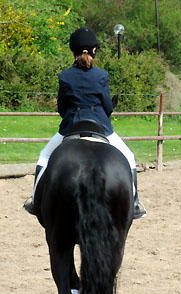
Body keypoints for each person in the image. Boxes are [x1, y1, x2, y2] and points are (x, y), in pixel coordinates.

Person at [24, 27, 146, 220]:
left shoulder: (64, 76)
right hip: (101, 128)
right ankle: (134, 203)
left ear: (72, 51)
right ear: (94, 50)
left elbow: (62, 108)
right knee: (129, 157)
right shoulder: (101, 75)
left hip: (71, 127)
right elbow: (107, 106)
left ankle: (34, 200)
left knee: (44, 156)